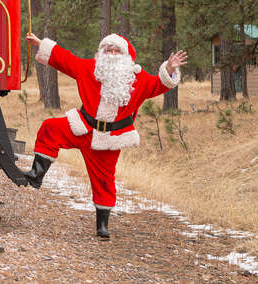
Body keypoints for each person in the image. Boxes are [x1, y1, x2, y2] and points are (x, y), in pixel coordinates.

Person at [24, 32, 187, 240]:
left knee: (104, 180)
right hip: (83, 128)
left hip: (111, 138)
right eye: (107, 49)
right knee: (50, 128)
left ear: (126, 55)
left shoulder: (138, 79)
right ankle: (37, 173)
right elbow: (65, 59)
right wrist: (41, 44)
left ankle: (102, 225)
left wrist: (170, 69)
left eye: (116, 50)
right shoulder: (89, 68)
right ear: (100, 53)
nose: (111, 53)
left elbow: (160, 84)